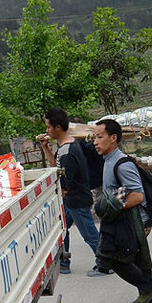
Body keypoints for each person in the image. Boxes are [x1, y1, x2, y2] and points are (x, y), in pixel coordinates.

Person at [92, 119, 152, 303]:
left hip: (136, 222)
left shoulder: (122, 163)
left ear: (113, 138)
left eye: (100, 137)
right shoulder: (108, 160)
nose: (95, 141)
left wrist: (109, 205)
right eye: (94, 137)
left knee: (115, 259)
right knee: (136, 259)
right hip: (124, 221)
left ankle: (149, 289)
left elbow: (137, 196)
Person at [39, 107, 108, 277]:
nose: (46, 131)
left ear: (57, 127)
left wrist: (58, 194)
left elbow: (65, 181)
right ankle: (64, 262)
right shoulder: (66, 146)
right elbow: (58, 167)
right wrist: (45, 148)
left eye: (48, 127)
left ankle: (106, 264)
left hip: (76, 199)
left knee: (90, 234)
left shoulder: (68, 151)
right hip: (71, 200)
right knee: (62, 230)